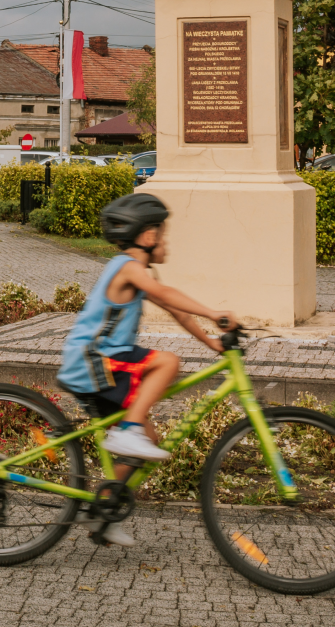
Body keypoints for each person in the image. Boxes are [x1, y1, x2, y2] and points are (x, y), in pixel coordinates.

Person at [55, 191, 232, 548]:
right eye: (163, 234)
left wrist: (212, 342)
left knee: (146, 444)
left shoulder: (136, 271)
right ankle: (129, 429)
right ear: (148, 236)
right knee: (167, 361)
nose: (166, 242)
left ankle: (101, 514)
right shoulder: (128, 268)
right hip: (96, 361)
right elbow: (166, 295)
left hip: (106, 365)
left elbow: (176, 312)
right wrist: (215, 313)